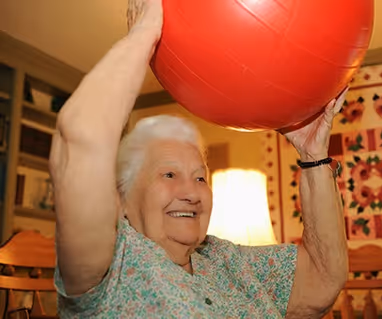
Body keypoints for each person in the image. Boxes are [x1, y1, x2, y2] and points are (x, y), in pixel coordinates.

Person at [49, 0, 349, 317]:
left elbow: (324, 280)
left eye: (200, 177)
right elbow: (80, 140)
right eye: (168, 175)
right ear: (120, 198)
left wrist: (313, 156)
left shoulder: (225, 259)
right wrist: (144, 34)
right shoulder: (113, 263)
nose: (192, 193)